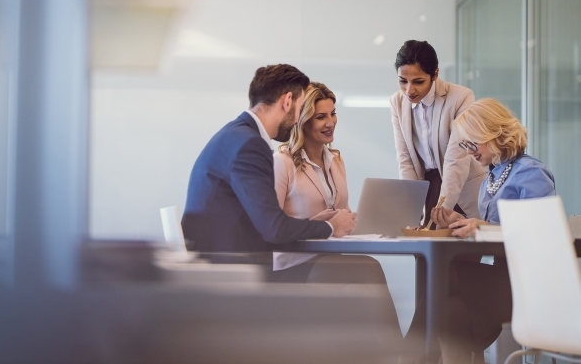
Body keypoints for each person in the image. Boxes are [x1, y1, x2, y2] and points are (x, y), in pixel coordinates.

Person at [181, 64, 357, 275]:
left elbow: (265, 220)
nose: (297, 120)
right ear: (287, 101)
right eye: (300, 109)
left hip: (219, 260)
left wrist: (312, 224)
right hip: (226, 270)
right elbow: (273, 228)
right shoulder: (251, 145)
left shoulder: (236, 134)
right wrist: (331, 227)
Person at [427, 98, 556, 363]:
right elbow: (493, 229)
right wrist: (454, 220)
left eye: (471, 142)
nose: (468, 151)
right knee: (447, 299)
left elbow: (540, 232)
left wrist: (484, 227)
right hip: (503, 276)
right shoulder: (493, 177)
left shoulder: (530, 172)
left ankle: (414, 352)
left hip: (527, 283)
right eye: (464, 145)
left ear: (492, 134)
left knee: (443, 287)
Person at [271, 82, 388, 284]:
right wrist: (319, 224)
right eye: (321, 117)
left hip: (331, 258)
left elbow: (343, 217)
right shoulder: (282, 163)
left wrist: (365, 221)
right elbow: (270, 228)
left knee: (368, 265)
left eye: (333, 114)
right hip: (293, 265)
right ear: (302, 121)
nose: (331, 122)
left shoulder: (336, 161)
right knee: (369, 269)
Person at [390, 40, 486, 227]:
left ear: (435, 74)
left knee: (459, 252)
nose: (409, 90)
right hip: (429, 185)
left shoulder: (461, 97)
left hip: (462, 184)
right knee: (425, 253)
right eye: (403, 81)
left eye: (418, 82)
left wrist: (443, 208)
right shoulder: (397, 102)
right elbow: (405, 158)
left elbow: (456, 159)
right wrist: (411, 207)